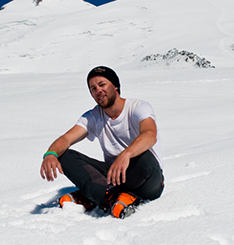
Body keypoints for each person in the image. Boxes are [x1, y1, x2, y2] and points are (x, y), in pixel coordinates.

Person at [40, 66, 164, 218]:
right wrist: (50, 154)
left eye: (102, 84)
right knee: (63, 155)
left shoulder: (138, 107)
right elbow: (66, 139)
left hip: (147, 177)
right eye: (93, 88)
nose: (98, 90)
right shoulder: (93, 116)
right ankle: (109, 196)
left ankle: (93, 195)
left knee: (145, 157)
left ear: (115, 86)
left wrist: (126, 154)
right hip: (114, 174)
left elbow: (150, 134)